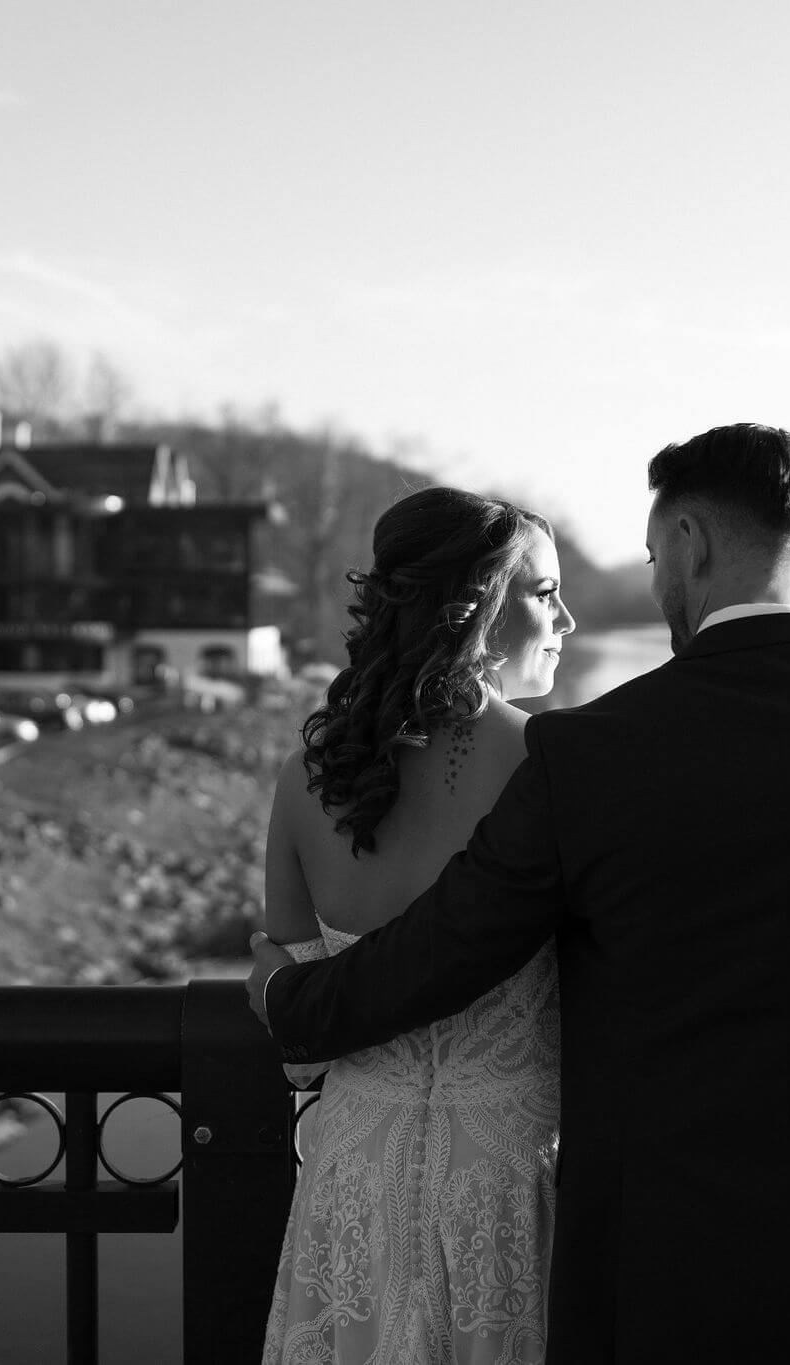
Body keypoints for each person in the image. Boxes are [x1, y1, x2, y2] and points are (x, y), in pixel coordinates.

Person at [250, 423, 790, 1362]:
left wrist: (290, 1003)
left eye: (655, 554)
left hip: (670, 1251)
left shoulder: (594, 753)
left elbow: (450, 947)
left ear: (690, 542)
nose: (653, 583)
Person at [259, 486, 577, 1365]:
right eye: (545, 591)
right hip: (508, 1175)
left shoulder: (303, 776)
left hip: (353, 1168)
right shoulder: (550, 766)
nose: (569, 618)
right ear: (476, 600)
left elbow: (295, 1027)